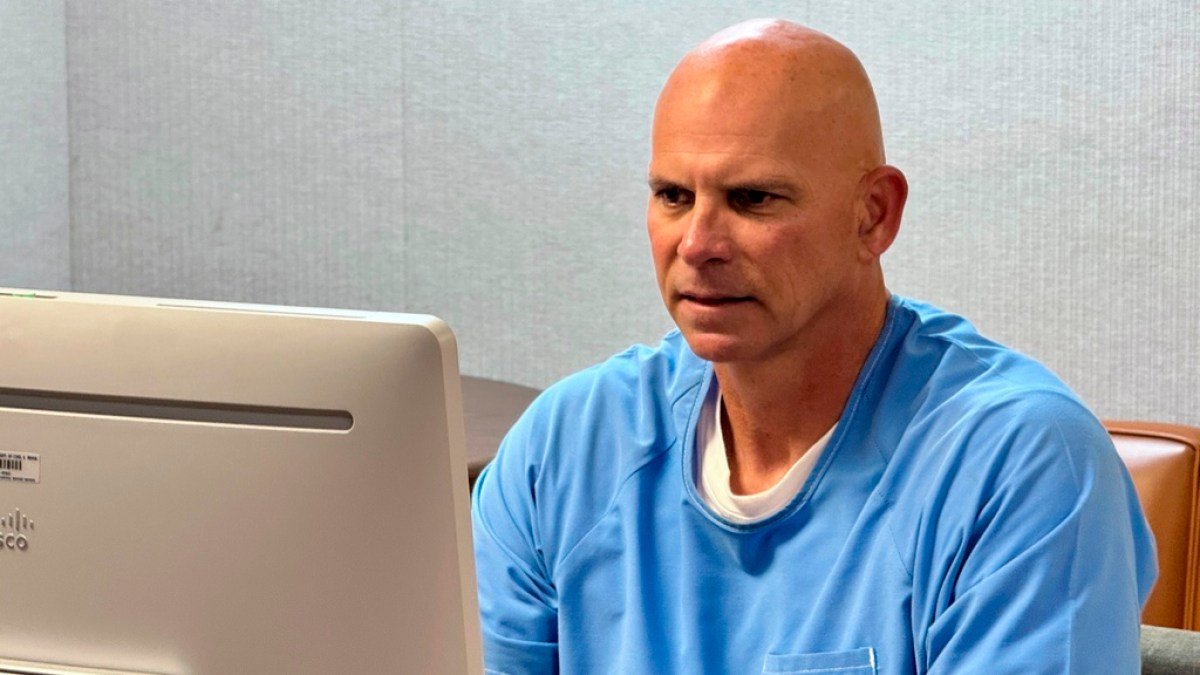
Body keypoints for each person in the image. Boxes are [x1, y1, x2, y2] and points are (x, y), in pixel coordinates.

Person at [472, 18, 1156, 674]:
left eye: (753, 198)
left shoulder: (1020, 464)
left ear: (873, 215)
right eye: (674, 196)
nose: (698, 244)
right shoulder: (563, 448)